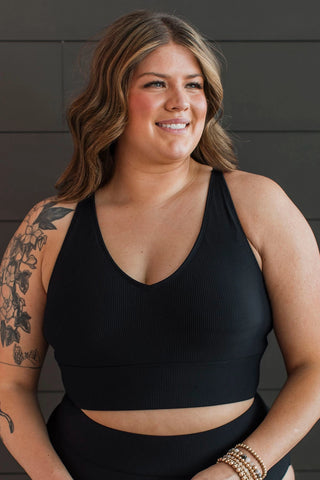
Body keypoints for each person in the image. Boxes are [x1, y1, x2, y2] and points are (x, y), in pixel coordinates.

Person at [0, 9, 319, 480]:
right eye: (155, 84)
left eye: (193, 85)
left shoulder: (259, 204)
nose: (181, 102)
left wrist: (238, 471)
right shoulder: (49, 226)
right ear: (113, 97)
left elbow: (316, 366)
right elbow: (8, 384)